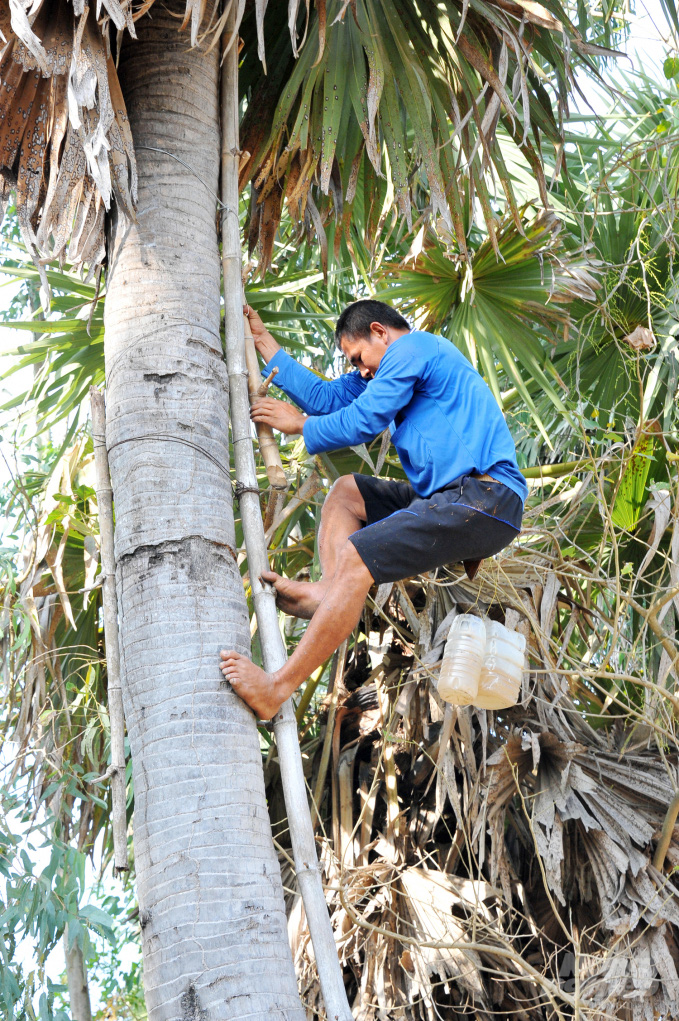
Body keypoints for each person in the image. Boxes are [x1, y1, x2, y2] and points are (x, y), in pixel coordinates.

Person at [220, 299, 527, 719]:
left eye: (359, 357)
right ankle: (330, 591)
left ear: (380, 332)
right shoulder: (382, 370)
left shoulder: (414, 349)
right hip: (444, 498)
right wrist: (262, 340)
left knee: (358, 555)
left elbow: (365, 420)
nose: (361, 370)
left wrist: (300, 426)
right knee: (347, 492)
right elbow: (324, 397)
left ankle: (277, 688)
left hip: (485, 496)